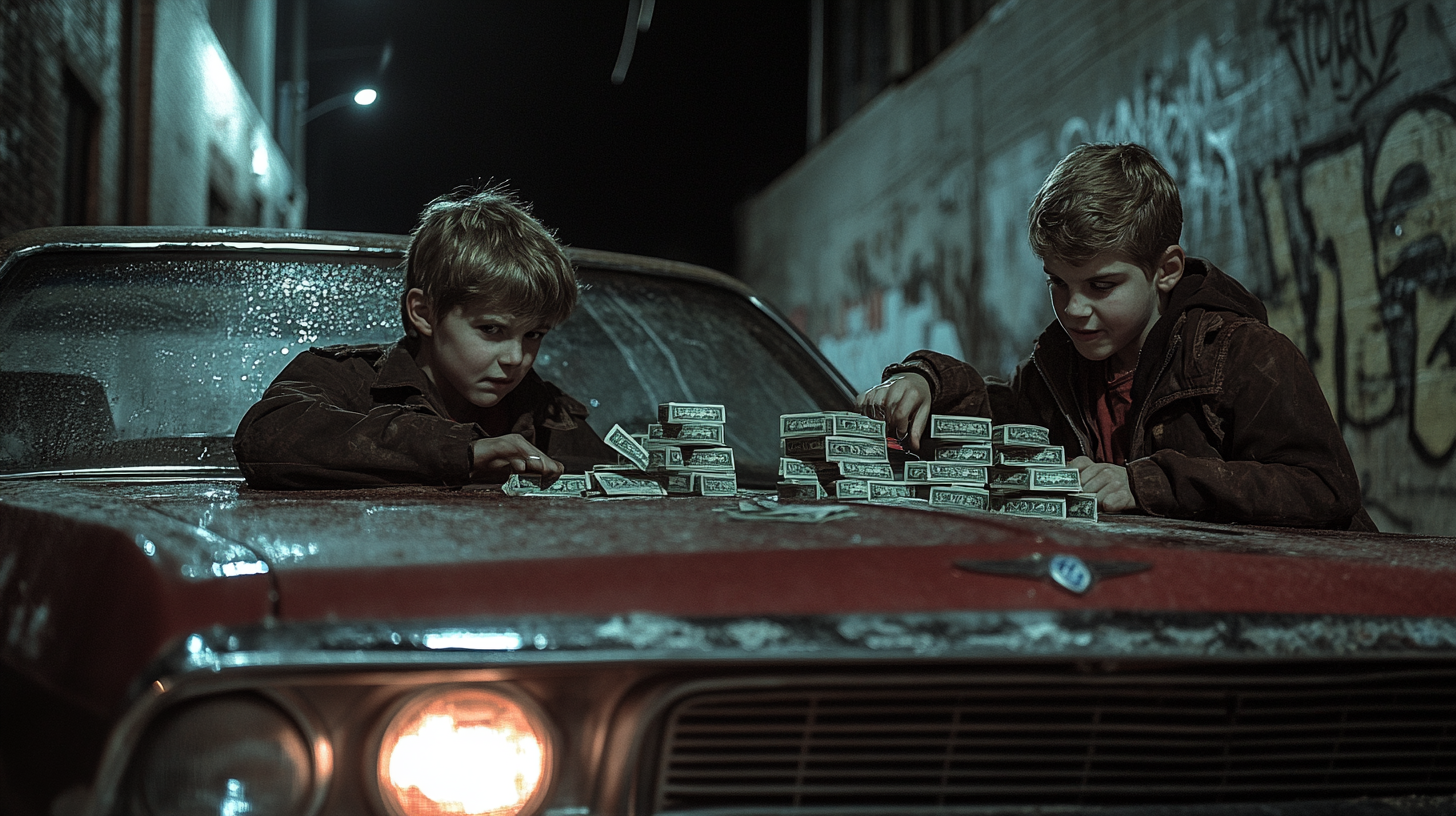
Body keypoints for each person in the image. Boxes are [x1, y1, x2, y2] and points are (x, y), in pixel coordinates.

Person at [858, 143, 1374, 530]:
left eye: (1101, 286)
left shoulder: (1245, 356)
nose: (1074, 309)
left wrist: (1143, 483)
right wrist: (925, 380)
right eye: (1058, 283)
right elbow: (999, 416)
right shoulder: (1056, 369)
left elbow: (1324, 488)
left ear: (1165, 270)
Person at [233, 186, 613, 489]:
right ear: (424, 313)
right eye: (491, 329)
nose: (517, 357)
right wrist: (462, 451)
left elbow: (627, 481)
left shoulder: (548, 412)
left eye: (534, 334)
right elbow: (266, 435)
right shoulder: (351, 381)